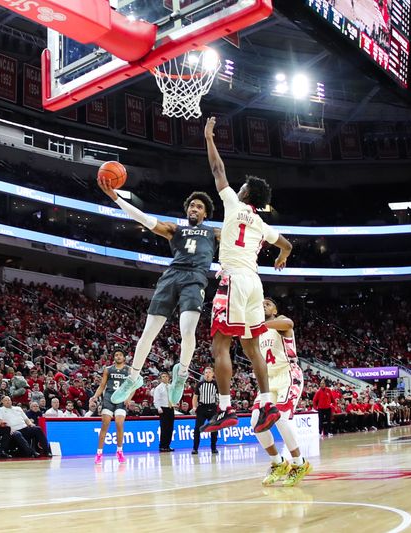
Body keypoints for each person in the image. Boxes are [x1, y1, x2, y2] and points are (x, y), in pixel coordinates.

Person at [201, 117, 293, 434]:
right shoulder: (261, 224)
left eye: (242, 187)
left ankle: (225, 408)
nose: (237, 187)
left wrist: (209, 138)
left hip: (234, 279)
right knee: (252, 347)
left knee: (220, 345)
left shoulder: (231, 203)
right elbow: (287, 243)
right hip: (255, 283)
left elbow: (217, 171)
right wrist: (282, 256)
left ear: (246, 193)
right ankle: (267, 404)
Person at [101, 178, 218, 409]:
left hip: (195, 278)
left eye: (199, 206)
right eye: (191, 205)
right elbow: (144, 219)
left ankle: (181, 375)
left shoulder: (213, 232)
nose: (194, 208)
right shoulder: (176, 229)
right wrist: (116, 198)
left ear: (205, 214)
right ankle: (133, 378)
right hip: (172, 275)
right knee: (148, 332)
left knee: (187, 330)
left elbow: (240, 237)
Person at [255, 298, 311, 487]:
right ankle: (278, 463)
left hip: (288, 374)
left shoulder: (280, 322)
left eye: (268, 304)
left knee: (280, 417)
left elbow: (289, 323)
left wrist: (261, 323)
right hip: (268, 380)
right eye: (260, 304)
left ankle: (299, 463)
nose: (264, 306)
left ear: (275, 309)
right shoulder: (257, 332)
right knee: (256, 422)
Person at [91, 350, 131, 464]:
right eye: (116, 355)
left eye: (120, 355)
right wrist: (95, 396)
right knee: (105, 424)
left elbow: (133, 386)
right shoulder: (108, 369)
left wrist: (128, 398)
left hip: (121, 398)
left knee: (119, 423)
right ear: (114, 357)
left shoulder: (129, 370)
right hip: (109, 397)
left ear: (124, 358)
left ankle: (119, 451)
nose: (118, 357)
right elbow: (102, 385)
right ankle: (99, 453)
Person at [191, 367, 219, 455]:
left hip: (212, 408)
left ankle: (213, 448)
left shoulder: (216, 384)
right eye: (206, 372)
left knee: (214, 429)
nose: (207, 374)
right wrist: (194, 407)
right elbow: (195, 397)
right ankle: (195, 448)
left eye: (209, 372)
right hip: (202, 408)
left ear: (212, 374)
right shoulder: (199, 384)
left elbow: (220, 396)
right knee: (197, 429)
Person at [153, 372, 175, 452]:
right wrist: (158, 408)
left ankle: (168, 445)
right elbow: (156, 399)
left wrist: (174, 403)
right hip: (163, 409)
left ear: (168, 378)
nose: (165, 378)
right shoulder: (158, 388)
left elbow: (173, 396)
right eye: (163, 376)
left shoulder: (171, 387)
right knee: (164, 428)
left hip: (170, 408)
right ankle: (162, 446)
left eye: (166, 376)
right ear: (160, 378)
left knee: (170, 428)